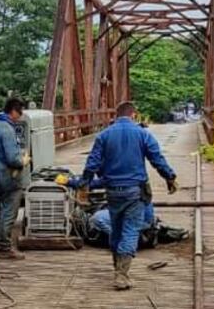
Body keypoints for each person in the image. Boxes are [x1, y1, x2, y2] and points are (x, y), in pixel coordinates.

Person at [76, 101, 178, 290]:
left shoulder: (104, 135)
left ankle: (117, 267)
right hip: (135, 192)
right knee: (130, 230)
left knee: (116, 228)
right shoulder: (142, 134)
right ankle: (121, 275)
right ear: (134, 115)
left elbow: (92, 163)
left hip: (113, 191)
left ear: (116, 116)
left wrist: (84, 183)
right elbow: (157, 158)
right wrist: (169, 177)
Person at [0, 96, 28, 260]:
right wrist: (23, 160)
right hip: (9, 176)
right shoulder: (7, 129)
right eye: (20, 112)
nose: (20, 116)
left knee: (3, 209)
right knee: (10, 213)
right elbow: (13, 159)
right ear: (13, 111)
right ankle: (5, 247)